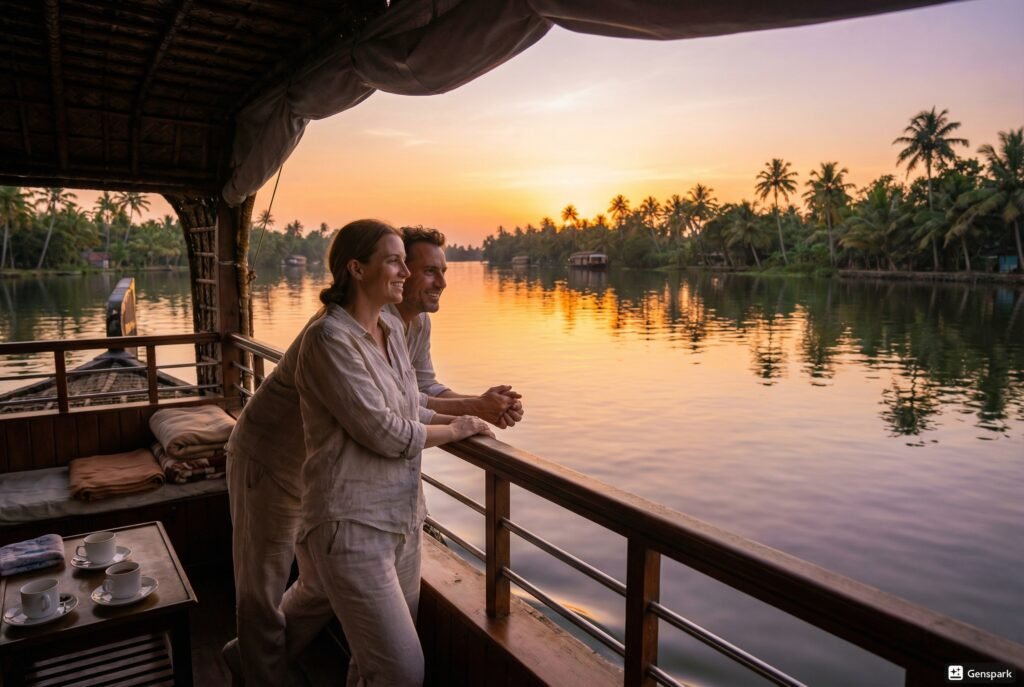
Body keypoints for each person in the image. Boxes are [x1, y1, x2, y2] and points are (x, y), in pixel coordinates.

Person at [223, 222, 521, 685]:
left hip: (341, 472)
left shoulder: (400, 327)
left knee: (321, 585)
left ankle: (248, 658)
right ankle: (260, 674)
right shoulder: (332, 336)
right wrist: (463, 419)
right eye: (420, 268)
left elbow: (416, 392)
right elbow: (382, 423)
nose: (433, 280)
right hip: (273, 460)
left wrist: (478, 407)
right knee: (262, 590)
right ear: (361, 269)